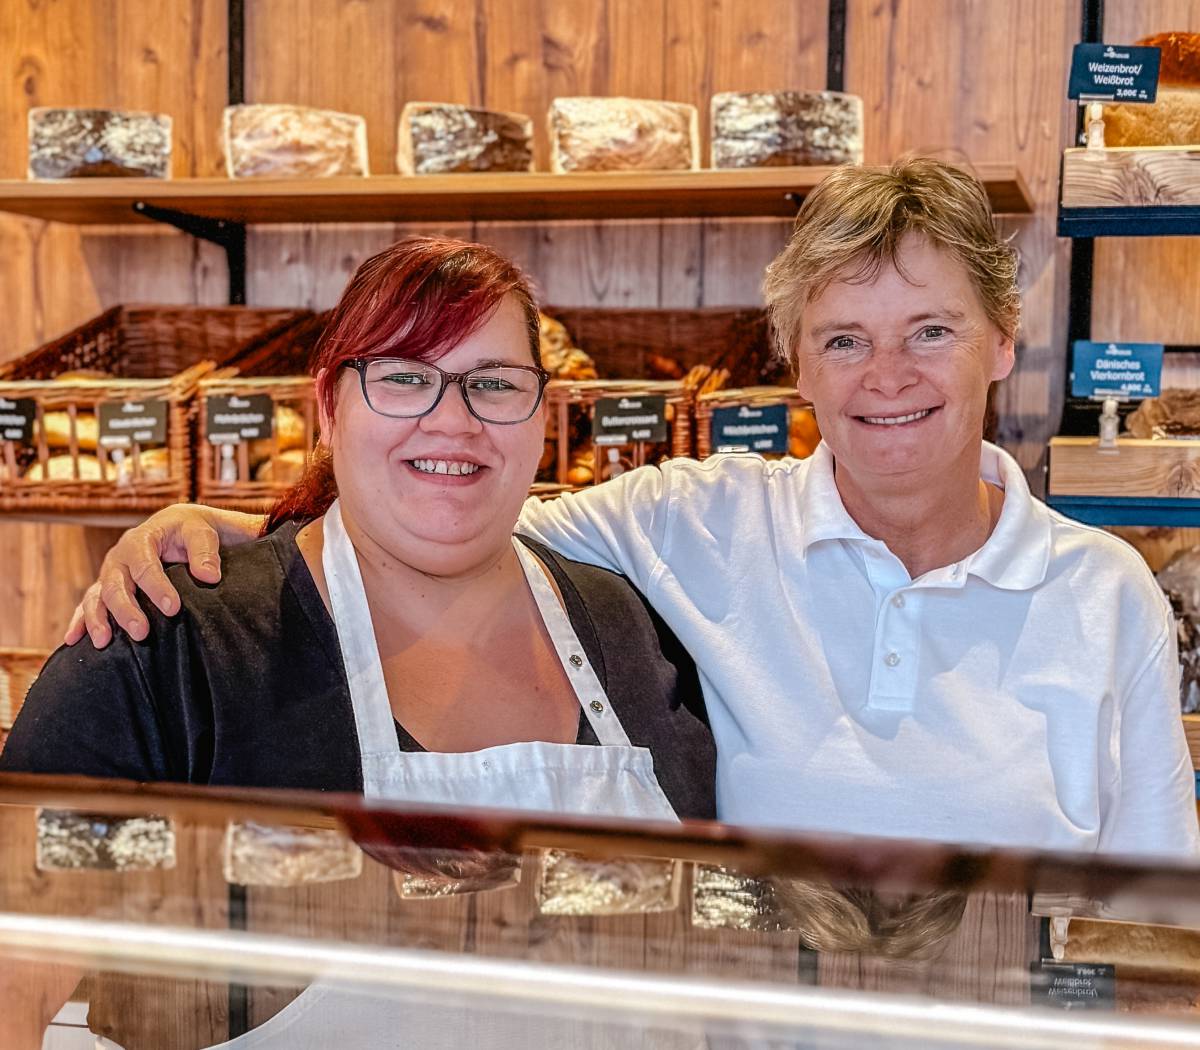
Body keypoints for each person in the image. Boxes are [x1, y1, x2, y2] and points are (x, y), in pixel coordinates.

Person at [56, 158, 1200, 858]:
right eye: (843, 339)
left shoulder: (1103, 596)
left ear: (1003, 342)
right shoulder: (696, 521)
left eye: (931, 333)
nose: (885, 376)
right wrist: (225, 532)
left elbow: (1160, 918)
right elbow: (446, 498)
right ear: (795, 366)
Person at [0, 235, 715, 821]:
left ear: (541, 415)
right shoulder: (166, 644)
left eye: (494, 383)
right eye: (403, 377)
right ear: (329, 408)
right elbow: (32, 949)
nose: (452, 421)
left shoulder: (626, 623)